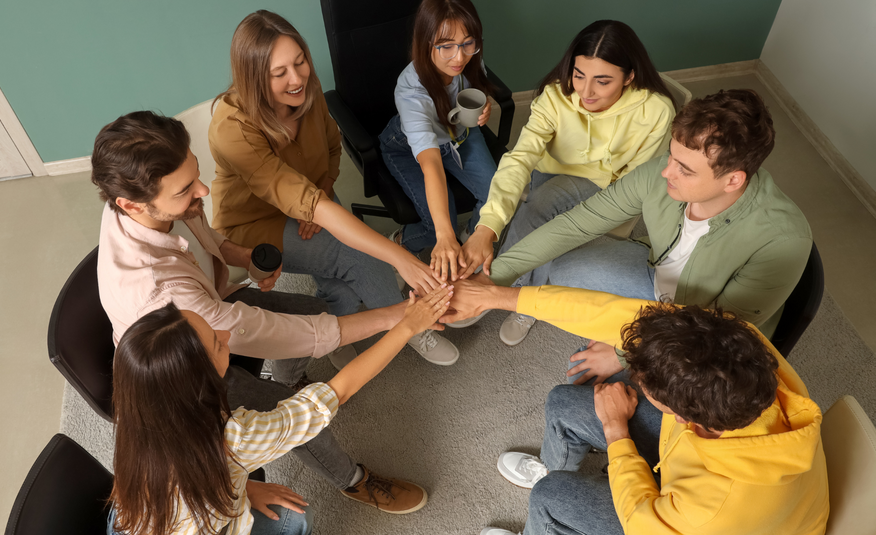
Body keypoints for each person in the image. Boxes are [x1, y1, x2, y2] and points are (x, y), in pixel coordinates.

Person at [93, 110, 427, 512]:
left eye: (195, 174)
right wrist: (400, 319)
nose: (203, 191)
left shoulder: (152, 205)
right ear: (131, 205)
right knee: (301, 422)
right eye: (184, 190)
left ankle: (290, 379)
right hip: (183, 372)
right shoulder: (157, 290)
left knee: (310, 309)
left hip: (205, 314)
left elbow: (209, 244)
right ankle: (352, 481)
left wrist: (242, 255)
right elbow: (301, 358)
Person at [439, 283, 828, 535]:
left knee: (550, 496)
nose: (635, 379)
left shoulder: (712, 510)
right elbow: (611, 311)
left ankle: (547, 523)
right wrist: (500, 296)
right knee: (563, 402)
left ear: (683, 416)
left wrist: (616, 433)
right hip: (717, 463)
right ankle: (559, 466)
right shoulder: (744, 348)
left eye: (646, 387)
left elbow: (643, 519)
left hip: (689, 523)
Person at [474, 89, 812, 376]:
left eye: (685, 169)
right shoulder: (662, 172)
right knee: (559, 268)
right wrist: (493, 279)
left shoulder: (782, 241)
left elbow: (712, 333)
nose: (666, 171)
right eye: (671, 155)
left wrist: (623, 353)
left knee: (607, 401)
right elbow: (578, 223)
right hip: (654, 278)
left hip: (707, 339)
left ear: (734, 179)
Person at [208, 10, 458, 366]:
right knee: (363, 257)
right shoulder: (232, 129)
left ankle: (330, 333)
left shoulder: (306, 93)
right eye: (280, 73)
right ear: (253, 78)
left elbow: (329, 149)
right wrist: (401, 259)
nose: (297, 79)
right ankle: (409, 321)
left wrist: (323, 191)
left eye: (300, 62)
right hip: (256, 221)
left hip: (314, 193)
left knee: (339, 279)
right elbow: (294, 195)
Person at [108, 285, 452, 535]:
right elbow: (338, 391)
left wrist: (236, 487)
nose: (227, 334)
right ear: (201, 382)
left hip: (132, 524)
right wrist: (407, 325)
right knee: (296, 520)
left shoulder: (138, 406)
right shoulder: (237, 439)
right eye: (217, 342)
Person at [451, 20, 677, 338]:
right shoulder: (556, 95)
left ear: (629, 77)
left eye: (602, 81)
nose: (585, 91)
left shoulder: (656, 112)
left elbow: (634, 184)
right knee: (510, 207)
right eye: (579, 74)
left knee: (535, 210)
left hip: (605, 185)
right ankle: (499, 278)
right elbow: (521, 158)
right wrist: (486, 230)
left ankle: (512, 297)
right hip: (549, 167)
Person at [378, 0, 497, 282]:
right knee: (439, 226)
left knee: (499, 196)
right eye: (446, 46)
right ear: (425, 42)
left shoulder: (470, 54)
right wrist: (445, 237)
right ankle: (401, 242)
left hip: (458, 132)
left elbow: (478, 84)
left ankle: (469, 237)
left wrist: (486, 103)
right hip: (409, 148)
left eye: (468, 43)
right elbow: (431, 163)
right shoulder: (411, 89)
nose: (459, 57)